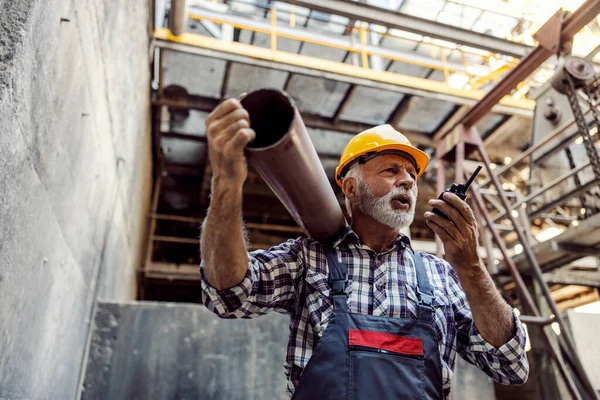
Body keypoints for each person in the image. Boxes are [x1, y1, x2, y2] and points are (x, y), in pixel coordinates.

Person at [199, 98, 528, 399]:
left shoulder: (440, 274)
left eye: (412, 174)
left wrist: (472, 268)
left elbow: (510, 365)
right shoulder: (309, 258)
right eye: (391, 170)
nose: (408, 181)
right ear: (351, 188)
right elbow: (229, 295)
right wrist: (226, 183)